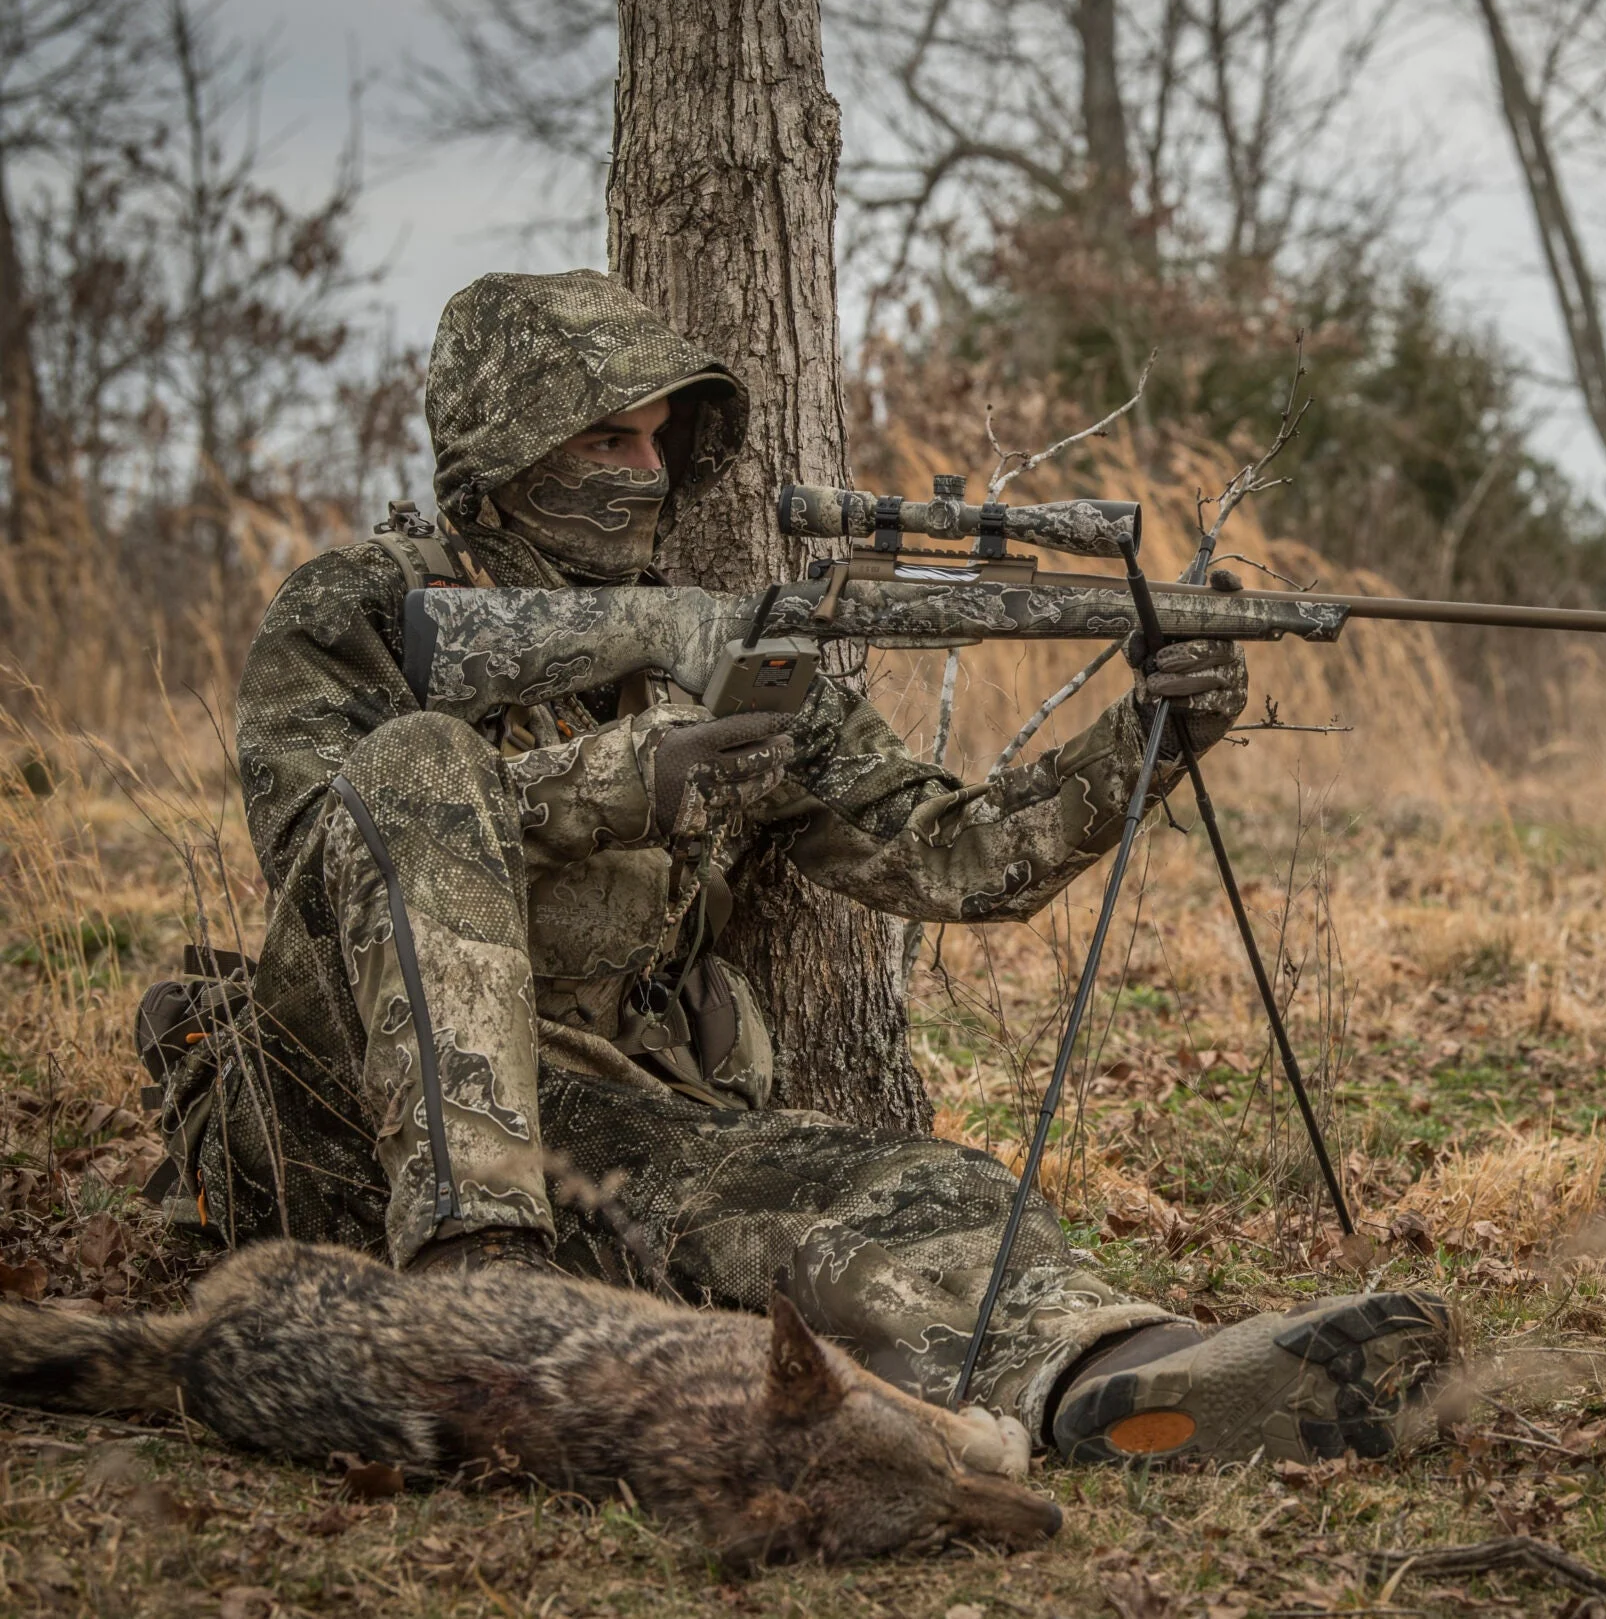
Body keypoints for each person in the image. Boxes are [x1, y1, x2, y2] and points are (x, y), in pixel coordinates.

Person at [158, 269, 1448, 1466]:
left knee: (914, 1190)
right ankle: (472, 1302)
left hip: (591, 1115)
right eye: (607, 440)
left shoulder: (718, 651)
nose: (644, 472)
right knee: (421, 760)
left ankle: (1132, 1382)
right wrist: (619, 785)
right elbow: (325, 848)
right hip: (332, 1110)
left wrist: (1145, 742)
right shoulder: (367, 608)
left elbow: (957, 858)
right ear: (506, 454)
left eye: (662, 443)